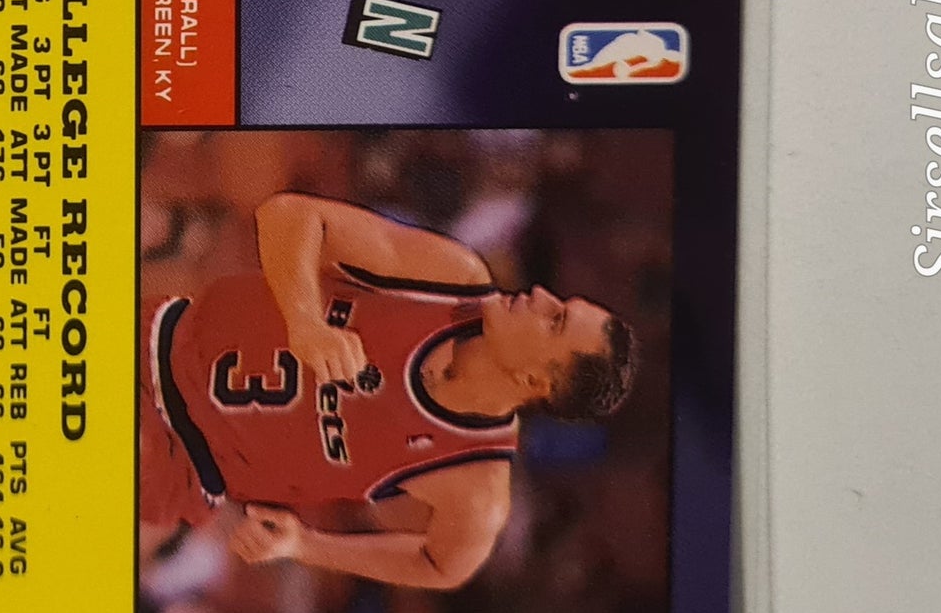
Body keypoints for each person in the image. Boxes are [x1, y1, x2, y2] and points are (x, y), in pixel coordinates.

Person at [140, 191, 636, 592]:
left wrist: (307, 546)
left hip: (177, 466)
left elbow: (442, 566)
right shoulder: (452, 280)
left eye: (555, 320)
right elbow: (287, 214)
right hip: (155, 341)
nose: (541, 296)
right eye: (560, 302)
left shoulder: (475, 483)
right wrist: (305, 321)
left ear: (535, 382)